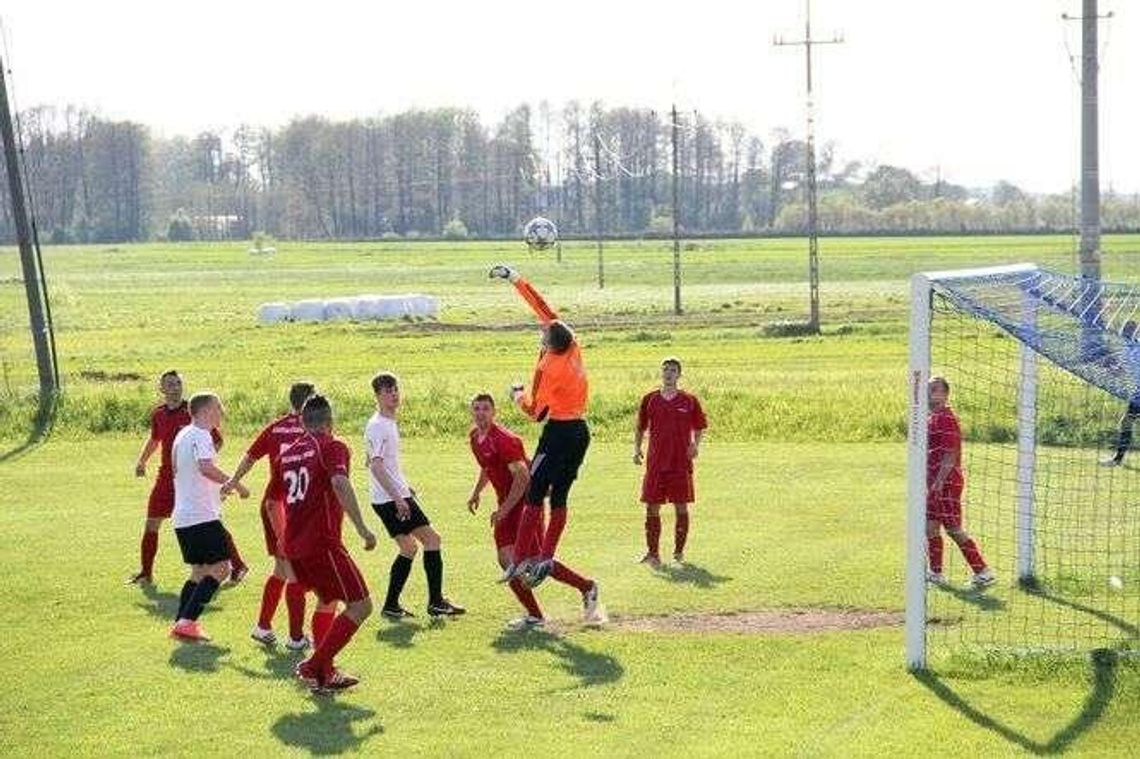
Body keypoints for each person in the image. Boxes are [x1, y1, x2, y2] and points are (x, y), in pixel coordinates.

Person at [489, 265, 590, 588]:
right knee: (558, 496)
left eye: (543, 335)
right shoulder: (572, 345)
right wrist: (517, 279)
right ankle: (546, 557)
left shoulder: (550, 368)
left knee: (534, 494)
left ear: (550, 344)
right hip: (580, 433)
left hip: (558, 434)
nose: (541, 333)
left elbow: (536, 414)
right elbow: (542, 309)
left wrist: (518, 395)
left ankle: (518, 559)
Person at [466, 393, 600, 629]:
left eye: (485, 408)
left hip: (527, 505)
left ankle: (587, 587)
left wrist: (504, 510)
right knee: (508, 562)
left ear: (494, 412)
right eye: (476, 408)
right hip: (506, 506)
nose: (480, 413)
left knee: (533, 563)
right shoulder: (475, 437)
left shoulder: (506, 440)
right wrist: (476, 492)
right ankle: (535, 615)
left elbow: (523, 477)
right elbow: (488, 466)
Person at [273, 395, 377, 692]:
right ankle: (314, 665)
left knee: (328, 601)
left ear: (303, 423)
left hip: (295, 545)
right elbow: (340, 483)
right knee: (361, 606)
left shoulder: (289, 453)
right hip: (322, 542)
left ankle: (326, 674)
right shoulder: (333, 446)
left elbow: (275, 500)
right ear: (330, 422)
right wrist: (362, 529)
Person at [129, 370, 247, 586]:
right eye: (170, 384)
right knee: (152, 522)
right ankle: (146, 573)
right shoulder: (158, 414)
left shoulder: (193, 413)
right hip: (165, 479)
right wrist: (142, 461)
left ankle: (238, 566)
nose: (175, 388)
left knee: (211, 522)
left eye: (178, 384)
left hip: (189, 481)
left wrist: (199, 462)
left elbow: (217, 441)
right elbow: (155, 440)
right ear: (162, 389)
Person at [224, 382, 316, 650]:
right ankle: (296, 637)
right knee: (295, 571)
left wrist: (233, 479)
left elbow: (251, 456)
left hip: (273, 504)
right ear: (310, 403)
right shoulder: (314, 429)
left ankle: (263, 627)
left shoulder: (276, 427)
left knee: (282, 569)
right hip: (287, 508)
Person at [365, 372, 465, 619]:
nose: (393, 394)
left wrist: (403, 486)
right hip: (390, 499)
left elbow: (374, 461)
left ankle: (390, 606)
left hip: (387, 496)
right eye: (387, 391)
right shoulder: (379, 425)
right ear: (377, 396)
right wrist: (399, 498)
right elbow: (375, 466)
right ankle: (436, 602)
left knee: (409, 547)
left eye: (395, 389)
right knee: (432, 540)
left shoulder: (384, 422)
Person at [169, 392, 250, 642]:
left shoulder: (181, 436)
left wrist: (217, 491)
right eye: (218, 407)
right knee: (222, 568)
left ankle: (180, 624)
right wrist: (234, 483)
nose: (221, 411)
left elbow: (184, 473)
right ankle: (188, 621)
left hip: (183, 515)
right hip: (200, 515)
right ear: (205, 411)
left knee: (198, 572)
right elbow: (205, 467)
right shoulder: (201, 434)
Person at [633, 357, 707, 567]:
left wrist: (695, 444)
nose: (668, 373)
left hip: (679, 462)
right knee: (651, 507)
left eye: (673, 370)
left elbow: (700, 426)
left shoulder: (689, 400)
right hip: (656, 463)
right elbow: (640, 427)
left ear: (679, 374)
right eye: (665, 369)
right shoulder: (650, 399)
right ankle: (653, 553)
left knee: (681, 506)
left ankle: (678, 552)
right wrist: (637, 449)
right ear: (661, 373)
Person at [926, 377, 994, 588]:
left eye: (934, 390)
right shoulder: (932, 418)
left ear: (945, 394)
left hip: (946, 483)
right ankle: (936, 573)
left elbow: (950, 454)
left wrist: (938, 482)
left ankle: (983, 571)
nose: (930, 394)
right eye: (928, 390)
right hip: (934, 483)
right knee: (930, 528)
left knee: (953, 528)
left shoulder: (946, 418)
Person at [1101, 321, 1140, 467]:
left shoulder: (1136, 346)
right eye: (1124, 329)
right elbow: (1120, 371)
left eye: (1128, 330)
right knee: (1126, 422)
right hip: (1138, 391)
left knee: (1126, 422)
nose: (1124, 332)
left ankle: (1117, 460)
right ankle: (1117, 460)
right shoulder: (1126, 350)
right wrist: (1108, 367)